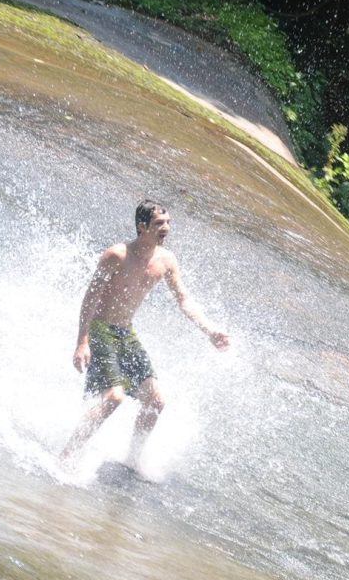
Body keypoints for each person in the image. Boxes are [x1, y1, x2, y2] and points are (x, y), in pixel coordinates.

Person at [61, 199, 230, 467]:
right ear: (142, 226)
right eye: (159, 224)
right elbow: (90, 298)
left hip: (126, 333)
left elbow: (184, 299)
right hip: (100, 329)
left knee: (156, 401)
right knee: (114, 397)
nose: (166, 228)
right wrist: (81, 341)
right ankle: (67, 456)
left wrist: (209, 330)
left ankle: (131, 461)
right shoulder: (117, 255)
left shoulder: (166, 260)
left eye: (168, 223)